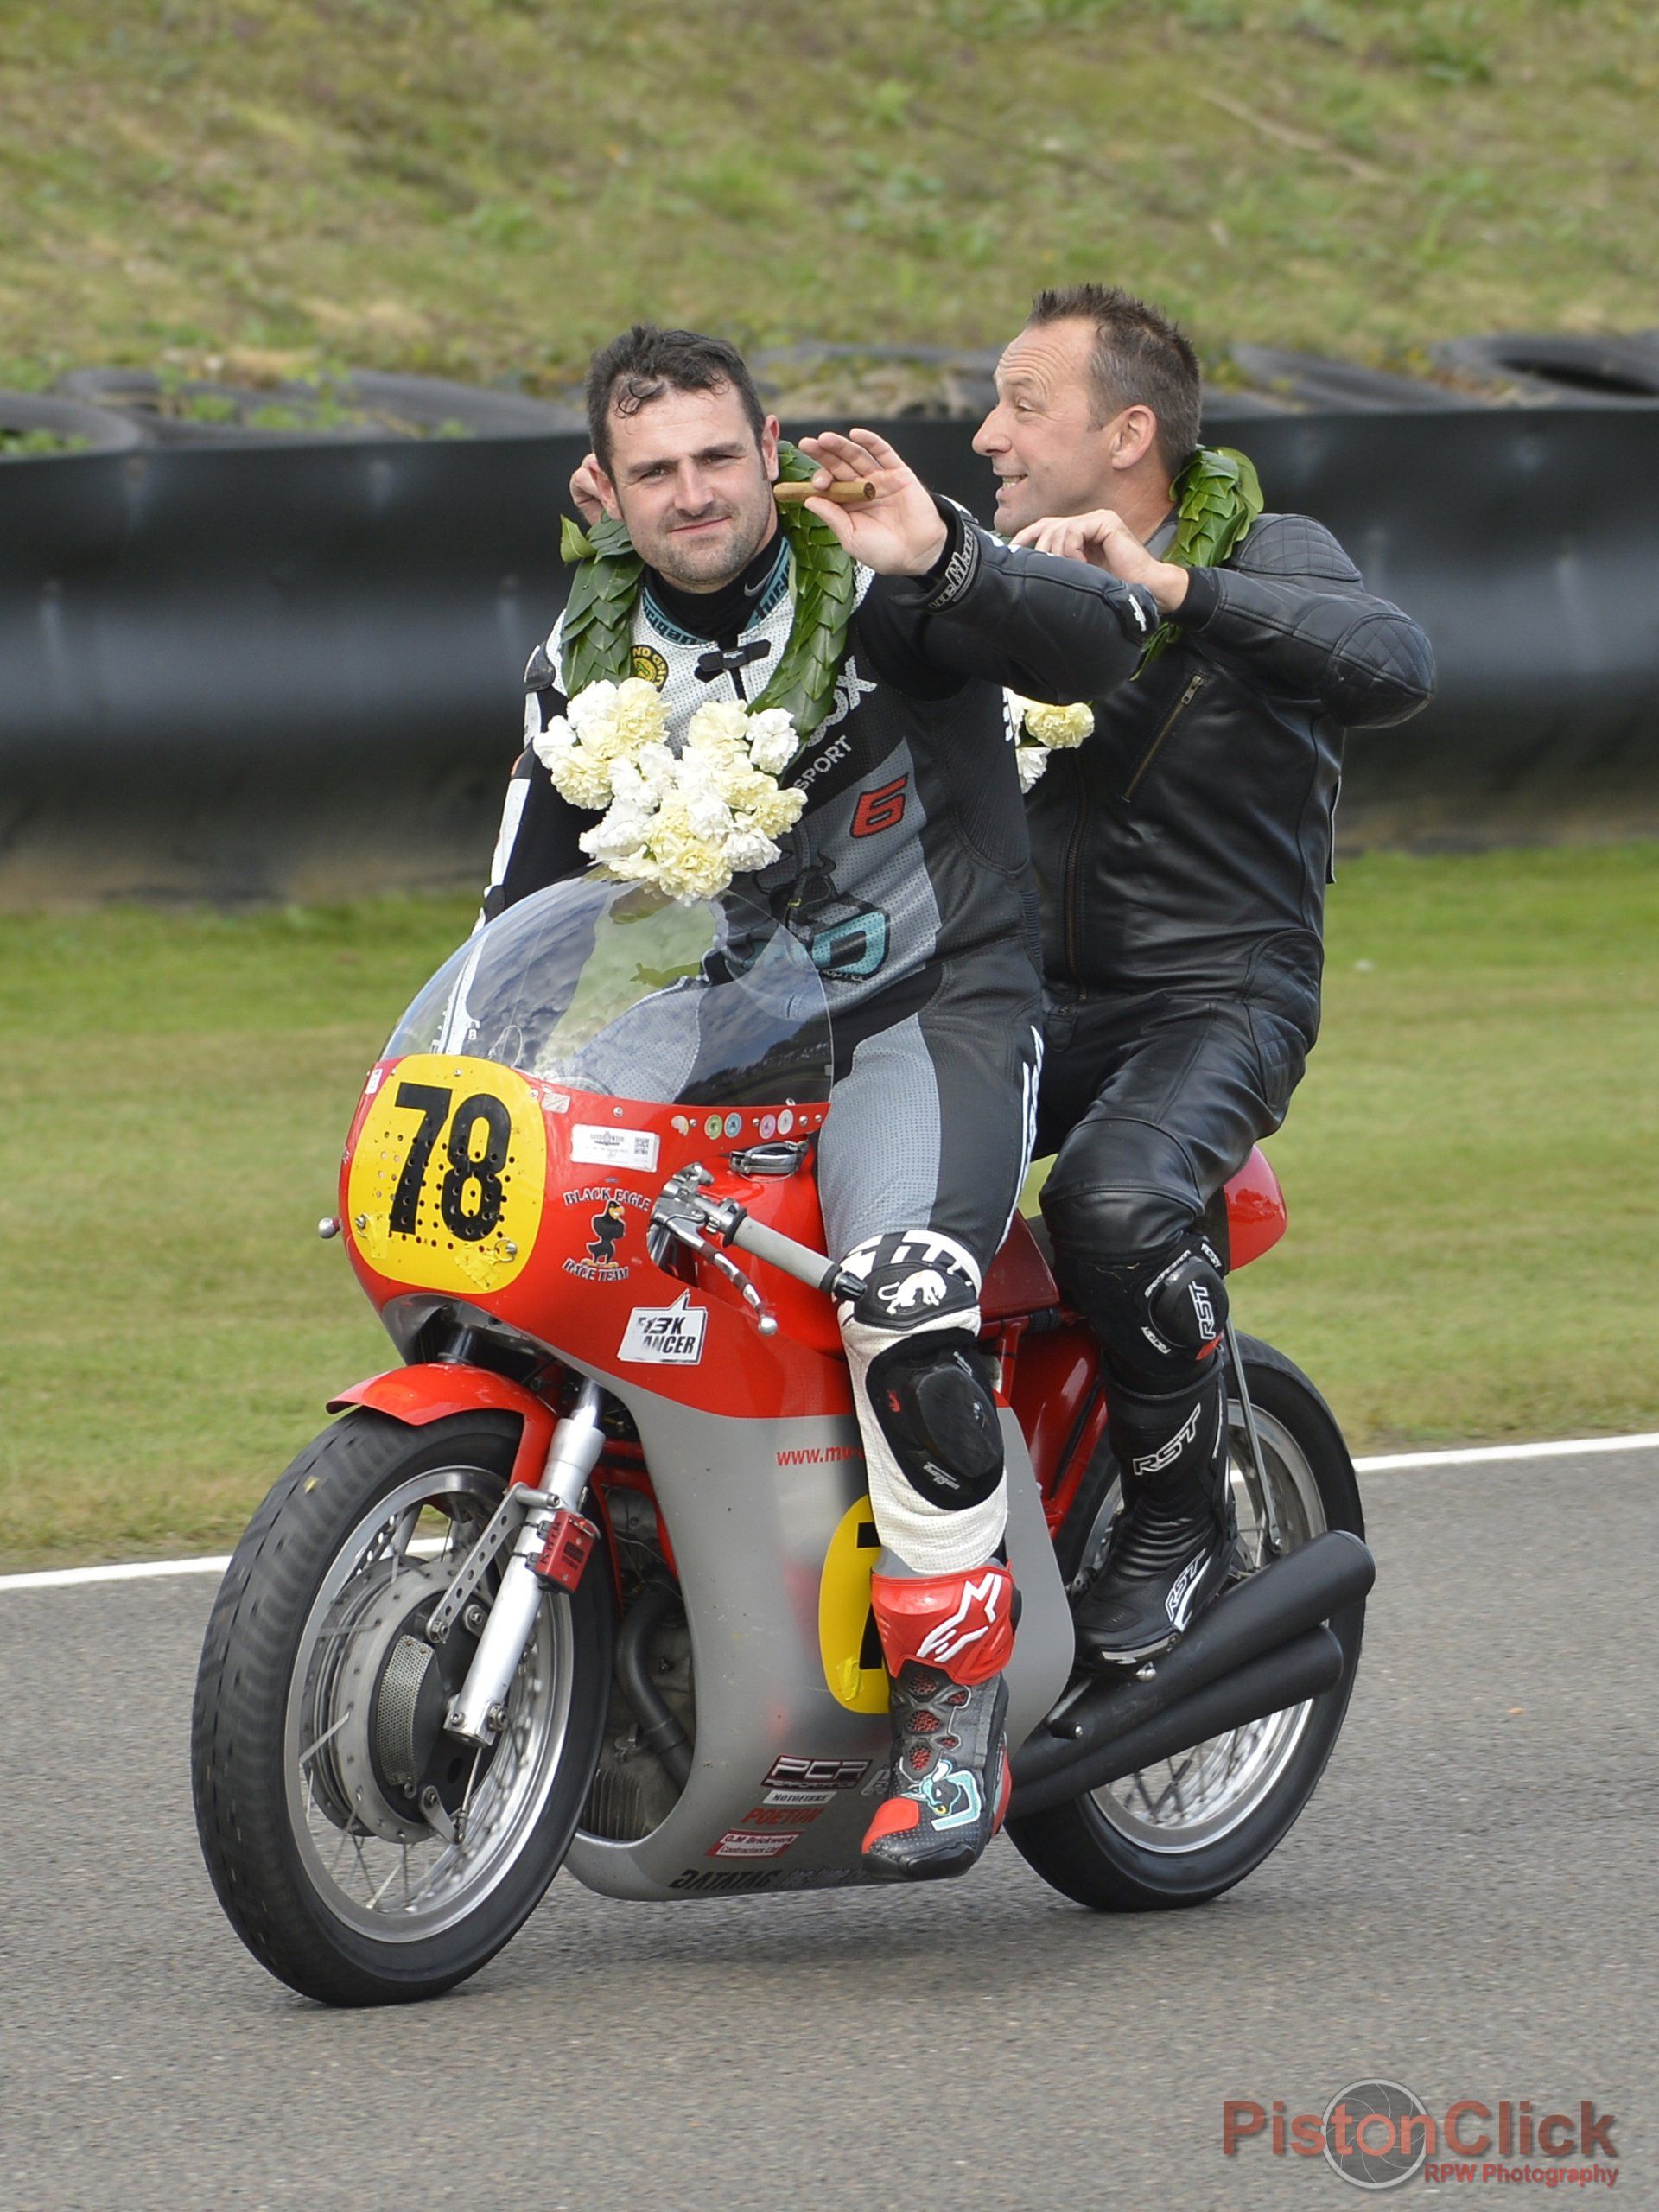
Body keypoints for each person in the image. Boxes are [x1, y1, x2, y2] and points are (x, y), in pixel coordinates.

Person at [486, 324, 1163, 1877]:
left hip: (927, 1017)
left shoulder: (876, 580)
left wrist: (947, 560)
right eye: (654, 470)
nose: (694, 492)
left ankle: (952, 1694)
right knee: (549, 1248)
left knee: (901, 1292)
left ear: (771, 447)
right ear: (607, 488)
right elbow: (514, 918)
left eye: (720, 456)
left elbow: (1102, 643)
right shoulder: (580, 668)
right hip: (721, 1043)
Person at [971, 284, 1435, 1667]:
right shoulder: (1007, 577)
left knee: (1112, 1201)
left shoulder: (1269, 547)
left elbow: (1395, 663)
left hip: (1217, 996)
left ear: (1127, 435)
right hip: (1022, 999)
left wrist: (1166, 585)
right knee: (790, 1161)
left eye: (1021, 405)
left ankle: (1183, 1531)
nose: (988, 433)